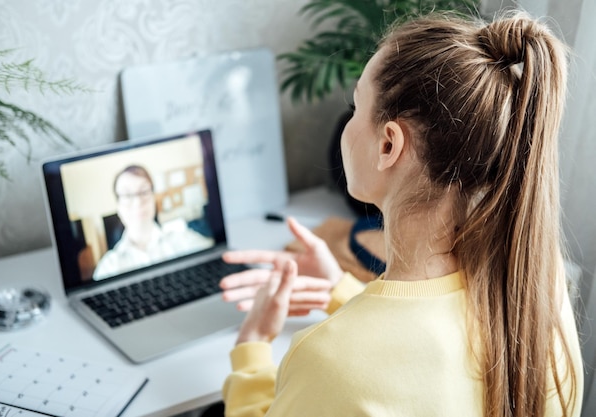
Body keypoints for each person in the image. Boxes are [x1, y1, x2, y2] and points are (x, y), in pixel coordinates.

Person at [218, 10, 584, 417]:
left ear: (388, 145)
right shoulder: (535, 285)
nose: (349, 123)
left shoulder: (329, 363)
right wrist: (341, 290)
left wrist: (251, 348)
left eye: (356, 106)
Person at [93, 165, 214, 280]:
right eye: (127, 195)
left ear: (153, 198)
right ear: (118, 206)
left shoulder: (184, 240)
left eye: (144, 191)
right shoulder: (108, 267)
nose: (137, 202)